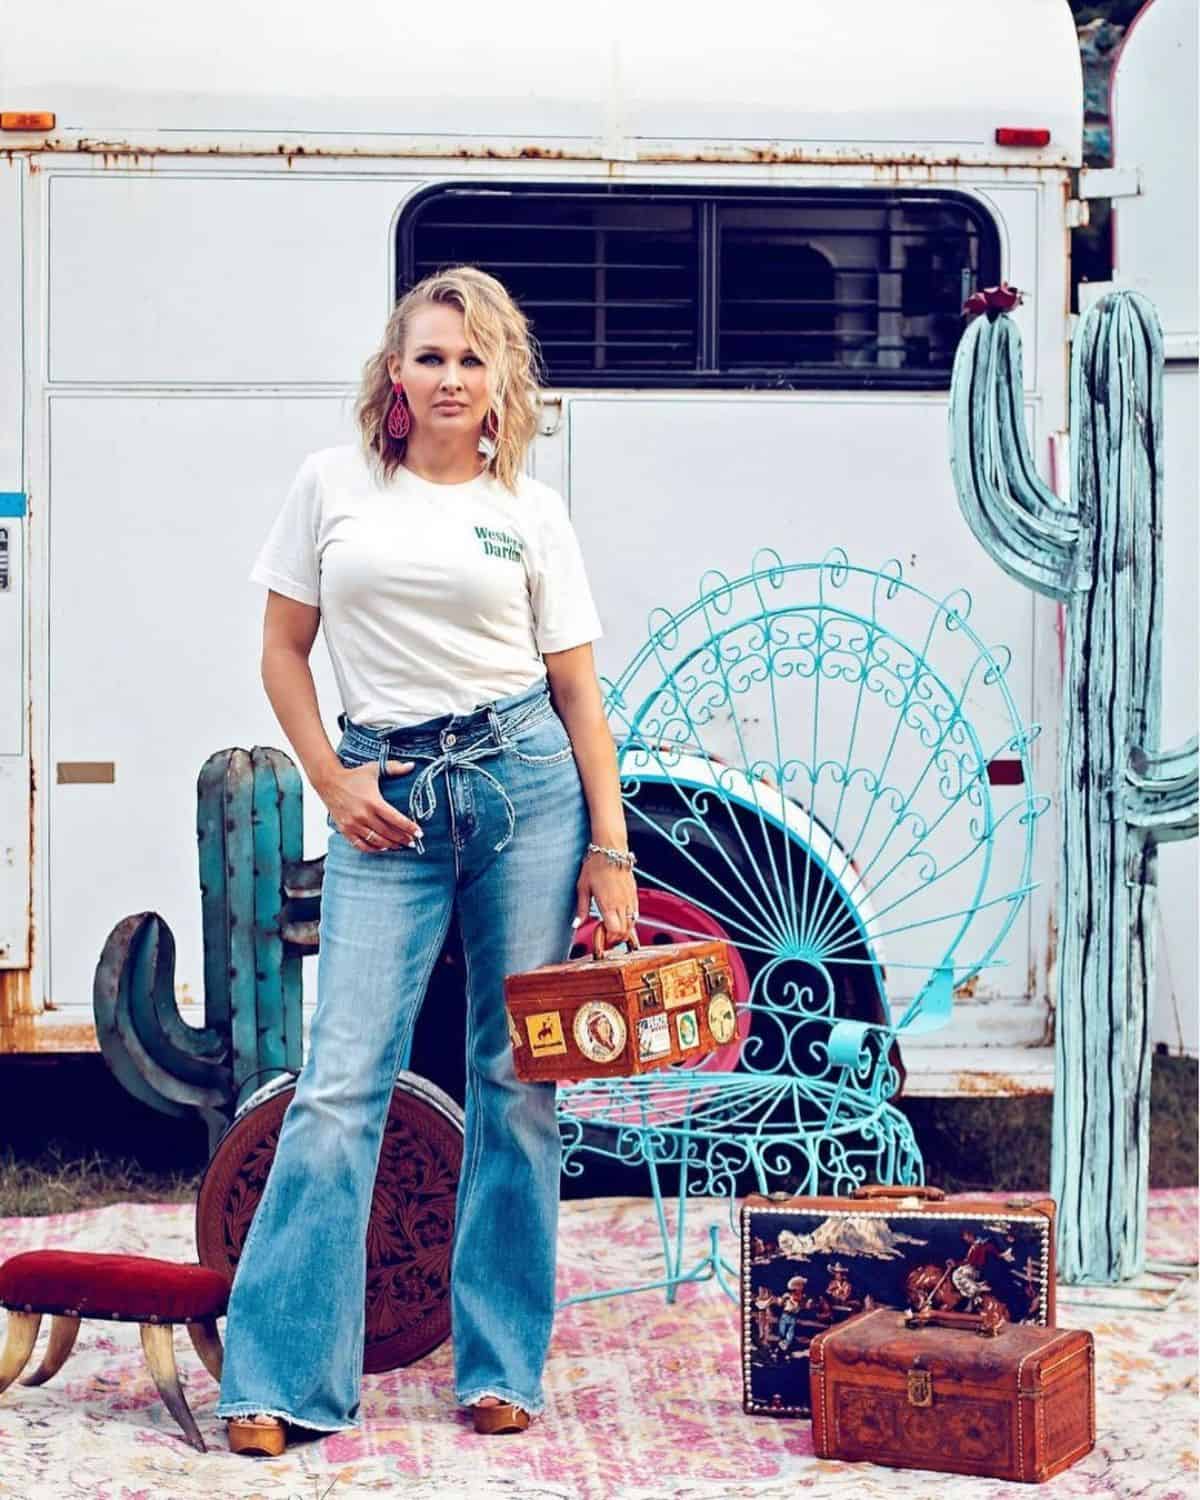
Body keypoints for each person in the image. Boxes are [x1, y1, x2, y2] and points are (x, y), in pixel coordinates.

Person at [215, 265, 638, 1456]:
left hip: (526, 790)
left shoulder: (530, 512)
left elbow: (578, 691)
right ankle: (282, 1380)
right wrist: (332, 782)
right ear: (393, 373)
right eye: (430, 355)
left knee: (516, 1083)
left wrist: (611, 849)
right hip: (385, 796)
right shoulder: (331, 487)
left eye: (472, 357)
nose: (450, 376)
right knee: (342, 1084)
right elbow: (283, 651)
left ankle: (500, 1369)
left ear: (501, 378)